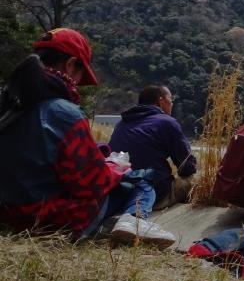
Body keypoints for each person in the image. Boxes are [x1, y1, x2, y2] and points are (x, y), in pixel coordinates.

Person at [0, 28, 174, 245]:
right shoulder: (65, 113)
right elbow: (91, 186)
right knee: (142, 180)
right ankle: (133, 221)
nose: (77, 84)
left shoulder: (9, 106)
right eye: (80, 76)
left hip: (8, 213)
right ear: (71, 65)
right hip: (46, 218)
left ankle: (120, 220)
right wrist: (115, 169)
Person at [109, 84, 197, 210]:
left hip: (120, 193)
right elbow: (187, 166)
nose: (172, 104)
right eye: (170, 100)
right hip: (154, 194)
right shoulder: (167, 122)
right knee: (193, 179)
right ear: (161, 101)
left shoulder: (121, 124)